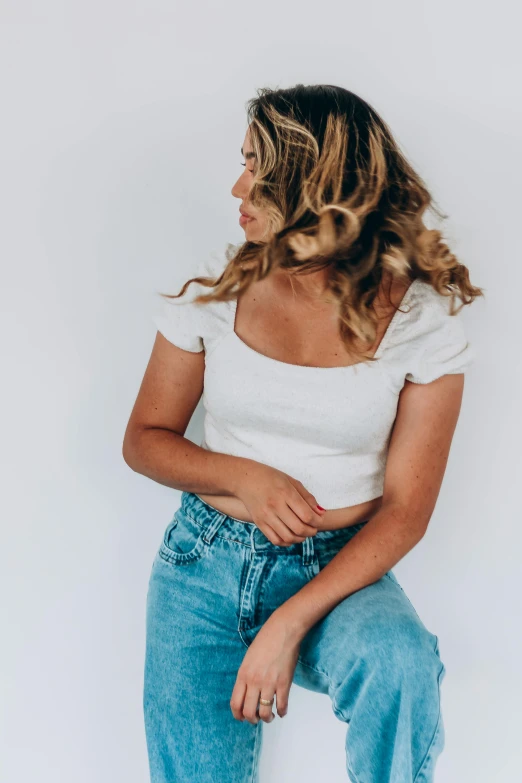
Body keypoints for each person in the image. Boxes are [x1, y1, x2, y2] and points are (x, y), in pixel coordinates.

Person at [122, 84, 483, 783]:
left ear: (316, 185)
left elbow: (407, 509)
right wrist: (244, 478)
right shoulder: (217, 291)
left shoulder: (420, 322)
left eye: (257, 167)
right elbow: (145, 437)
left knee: (399, 661)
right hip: (203, 568)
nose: (238, 185)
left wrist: (288, 622)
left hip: (339, 569)